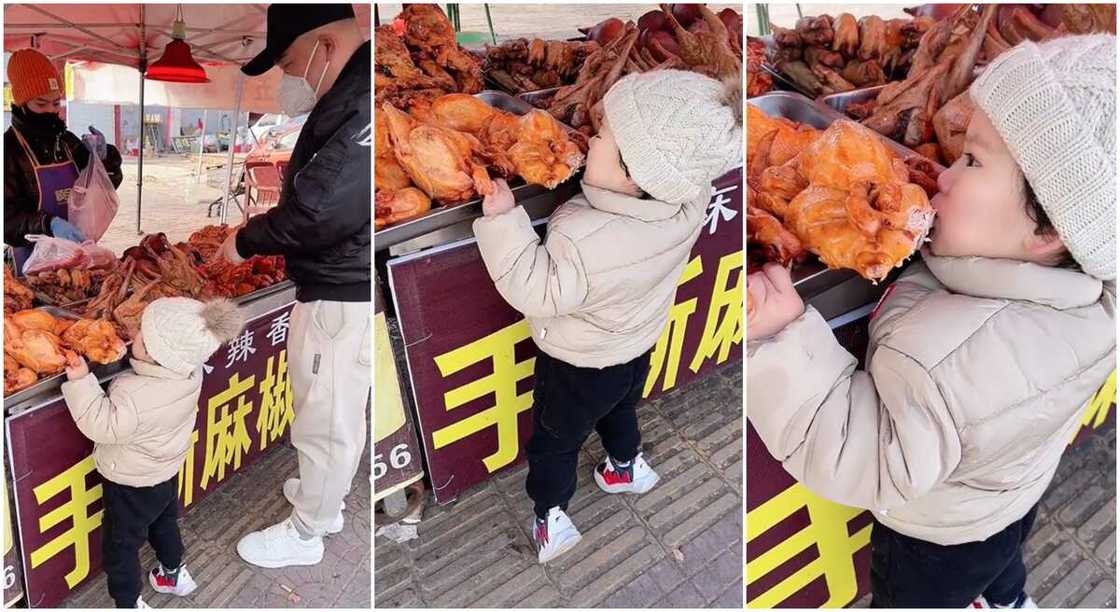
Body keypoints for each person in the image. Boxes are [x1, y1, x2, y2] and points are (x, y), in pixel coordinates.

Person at [746, 35, 1115, 608]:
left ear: (1049, 232)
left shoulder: (955, 364)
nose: (942, 172)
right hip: (1009, 494)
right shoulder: (1093, 290)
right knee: (1002, 557)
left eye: (971, 160)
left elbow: (863, 453)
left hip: (937, 540)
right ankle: (1009, 600)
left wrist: (780, 337)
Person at [472, 70, 742, 563]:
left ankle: (551, 515)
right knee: (620, 408)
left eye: (603, 138)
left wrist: (503, 220)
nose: (590, 138)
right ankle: (625, 466)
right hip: (634, 349)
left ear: (633, 176)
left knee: (556, 440)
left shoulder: (585, 239)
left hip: (576, 364)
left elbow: (535, 288)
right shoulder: (686, 203)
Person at [220, 3, 371, 568]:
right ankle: (323, 500)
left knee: (327, 413)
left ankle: (308, 532)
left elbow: (317, 212)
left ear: (324, 47)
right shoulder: (349, 96)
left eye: (288, 64)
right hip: (334, 282)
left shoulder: (359, 103)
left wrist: (245, 239)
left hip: (340, 288)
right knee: (328, 405)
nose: (290, 80)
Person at [61, 298, 245, 608]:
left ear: (156, 356)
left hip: (128, 484)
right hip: (165, 473)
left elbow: (102, 425)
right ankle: (173, 574)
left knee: (122, 544)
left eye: (141, 338)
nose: (132, 338)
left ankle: (128, 601)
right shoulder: (190, 373)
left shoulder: (135, 394)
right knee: (164, 521)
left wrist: (81, 382)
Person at [4, 48, 123, 269]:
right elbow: (7, 220)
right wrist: (48, 224)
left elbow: (104, 188)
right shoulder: (9, 150)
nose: (51, 111)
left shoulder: (67, 141)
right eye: (41, 104)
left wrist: (103, 159)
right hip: (29, 264)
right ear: (21, 103)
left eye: (56, 103)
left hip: (77, 257)